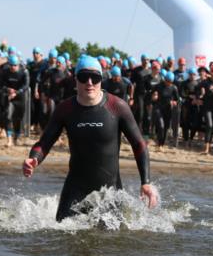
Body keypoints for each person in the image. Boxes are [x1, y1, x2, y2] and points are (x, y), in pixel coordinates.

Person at [23, 55, 158, 221]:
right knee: (60, 233)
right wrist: (33, 159)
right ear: (75, 80)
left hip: (109, 192)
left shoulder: (117, 106)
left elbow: (139, 145)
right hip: (75, 189)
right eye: (83, 76)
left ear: (101, 79)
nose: (89, 82)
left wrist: (145, 182)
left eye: (95, 77)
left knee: (113, 241)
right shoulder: (65, 109)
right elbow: (44, 143)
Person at [2, 54, 30, 146]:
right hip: (10, 98)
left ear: (18, 65)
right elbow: (0, 85)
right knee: (8, 116)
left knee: (18, 119)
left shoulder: (24, 72)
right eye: (11, 65)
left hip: (20, 98)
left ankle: (16, 137)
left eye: (15, 65)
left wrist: (17, 92)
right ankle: (9, 139)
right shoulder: (5, 72)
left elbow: (26, 85)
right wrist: (8, 89)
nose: (13, 67)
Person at [151, 70, 180, 149]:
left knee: (166, 127)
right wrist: (153, 97)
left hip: (168, 109)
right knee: (161, 126)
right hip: (158, 108)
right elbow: (151, 95)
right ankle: (159, 144)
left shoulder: (174, 88)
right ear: (165, 79)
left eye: (170, 82)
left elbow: (177, 100)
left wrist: (174, 102)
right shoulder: (159, 86)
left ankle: (161, 144)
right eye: (167, 81)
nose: (168, 83)